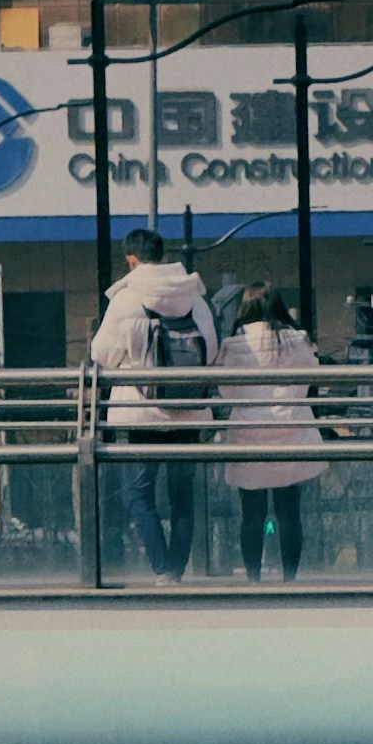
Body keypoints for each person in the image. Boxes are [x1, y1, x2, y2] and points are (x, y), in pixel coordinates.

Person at [91, 223, 220, 579]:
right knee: (183, 496)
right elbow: (211, 350)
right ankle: (177, 569)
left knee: (139, 494)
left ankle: (162, 569)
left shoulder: (126, 300)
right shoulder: (195, 298)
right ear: (163, 257)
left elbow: (101, 354)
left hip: (140, 413)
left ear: (131, 260)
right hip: (190, 412)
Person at [218, 280, 323, 583]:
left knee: (252, 513)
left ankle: (253, 577)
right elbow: (311, 379)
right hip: (290, 431)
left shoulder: (235, 345)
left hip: (248, 434)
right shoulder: (297, 341)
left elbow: (227, 391)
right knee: (289, 511)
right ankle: (289, 577)